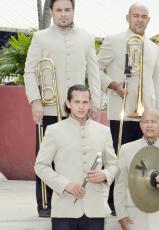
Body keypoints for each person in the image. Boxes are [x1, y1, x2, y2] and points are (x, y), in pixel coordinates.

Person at [34, 84, 117, 230]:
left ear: (90, 104)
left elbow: (114, 164)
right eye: (77, 102)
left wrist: (105, 174)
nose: (81, 106)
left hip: (94, 210)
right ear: (68, 103)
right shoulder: (55, 131)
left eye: (85, 101)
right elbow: (40, 166)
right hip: (64, 210)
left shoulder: (103, 131)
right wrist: (65, 185)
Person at [24, 0, 101, 218]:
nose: (64, 14)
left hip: (77, 110)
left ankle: (72, 201)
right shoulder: (41, 37)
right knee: (46, 157)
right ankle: (45, 205)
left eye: (68, 10)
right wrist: (35, 100)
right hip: (48, 108)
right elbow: (29, 71)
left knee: (74, 157)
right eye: (59, 10)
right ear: (51, 12)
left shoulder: (86, 37)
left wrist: (94, 101)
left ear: (74, 11)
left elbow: (94, 72)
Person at [97, 2, 159, 214]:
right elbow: (94, 69)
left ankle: (137, 198)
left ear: (149, 20)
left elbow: (157, 82)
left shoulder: (153, 47)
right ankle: (114, 202)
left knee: (142, 160)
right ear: (128, 18)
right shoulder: (113, 41)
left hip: (147, 114)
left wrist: (158, 115)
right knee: (118, 159)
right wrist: (113, 85)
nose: (140, 20)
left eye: (144, 16)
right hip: (122, 112)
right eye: (136, 16)